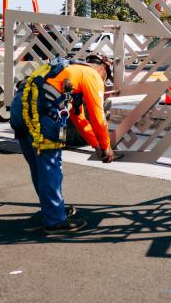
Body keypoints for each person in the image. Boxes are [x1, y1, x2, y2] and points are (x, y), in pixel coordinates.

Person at [10, 54, 116, 235]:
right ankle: (55, 221)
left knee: (39, 167)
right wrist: (106, 146)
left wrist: (95, 145)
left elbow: (78, 117)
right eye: (107, 79)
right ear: (103, 69)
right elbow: (98, 117)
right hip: (44, 112)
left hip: (20, 108)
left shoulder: (68, 71)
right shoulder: (93, 76)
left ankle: (53, 209)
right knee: (50, 167)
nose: (104, 82)